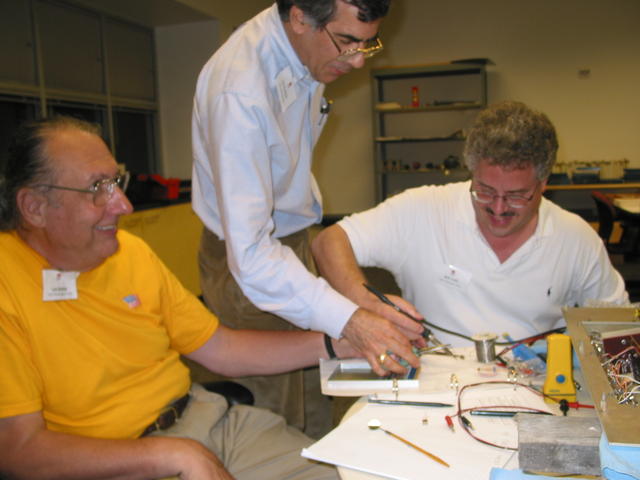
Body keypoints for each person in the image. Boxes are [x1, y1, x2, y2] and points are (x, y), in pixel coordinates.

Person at [0, 116, 351, 480]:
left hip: (208, 422)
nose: (123, 205)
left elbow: (222, 348)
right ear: (34, 207)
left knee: (351, 473)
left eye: (116, 182)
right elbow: (18, 449)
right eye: (97, 188)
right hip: (120, 463)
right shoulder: (6, 283)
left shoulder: (128, 251)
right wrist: (171, 454)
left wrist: (338, 343)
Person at [191, 0, 421, 436]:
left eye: (367, 44)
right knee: (272, 419)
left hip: (290, 238)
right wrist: (352, 320)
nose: (357, 60)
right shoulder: (239, 91)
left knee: (315, 397)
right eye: (347, 41)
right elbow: (252, 256)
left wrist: (357, 305)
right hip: (249, 261)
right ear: (298, 17)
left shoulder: (305, 50)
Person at [311, 101, 629, 355]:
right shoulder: (422, 210)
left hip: (536, 388)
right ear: (472, 171)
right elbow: (329, 241)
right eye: (485, 191)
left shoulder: (575, 238)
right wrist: (364, 307)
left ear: (543, 183)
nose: (499, 208)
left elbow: (617, 328)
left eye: (517, 196)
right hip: (435, 386)